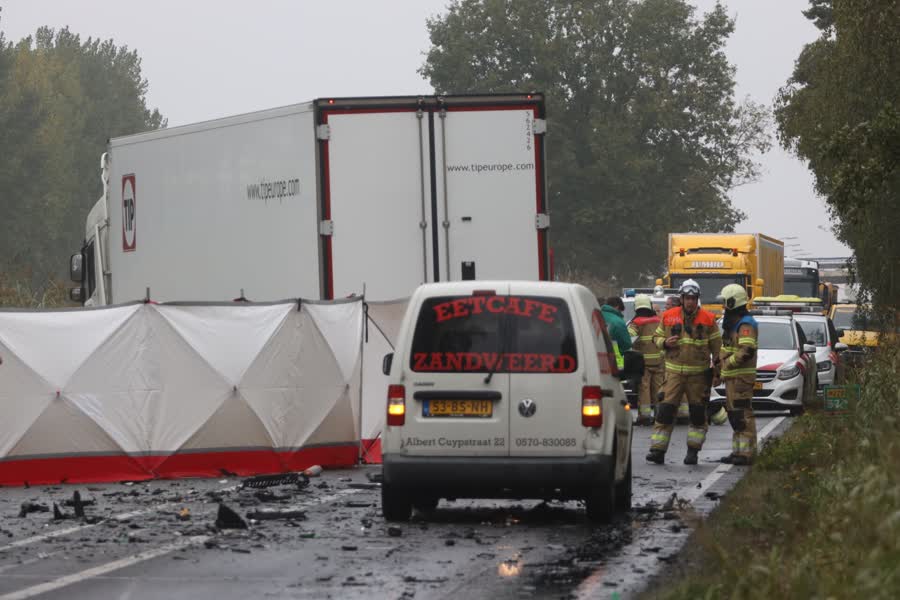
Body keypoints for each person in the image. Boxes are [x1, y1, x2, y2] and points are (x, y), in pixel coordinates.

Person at [647, 279, 721, 465]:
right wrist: (664, 343)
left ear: (697, 299)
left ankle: (693, 452)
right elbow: (656, 336)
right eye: (687, 298)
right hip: (673, 375)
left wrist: (718, 373)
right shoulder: (668, 316)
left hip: (698, 376)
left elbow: (718, 350)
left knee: (697, 415)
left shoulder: (708, 319)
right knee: (664, 411)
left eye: (693, 298)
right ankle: (657, 451)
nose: (690, 302)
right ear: (682, 298)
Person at [717, 284, 759, 465]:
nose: (723, 306)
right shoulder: (734, 323)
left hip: (741, 378)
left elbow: (746, 350)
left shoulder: (746, 324)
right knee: (735, 416)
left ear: (734, 302)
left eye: (725, 302)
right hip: (733, 378)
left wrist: (728, 363)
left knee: (743, 416)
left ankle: (747, 454)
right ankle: (738, 452)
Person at [627, 294, 662, 425]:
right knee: (658, 389)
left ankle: (645, 416)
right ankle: (659, 415)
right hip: (659, 362)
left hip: (643, 363)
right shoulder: (658, 320)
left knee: (644, 389)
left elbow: (629, 337)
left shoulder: (636, 322)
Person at [663, 295, 690, 423]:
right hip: (670, 362)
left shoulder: (683, 319)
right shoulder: (666, 318)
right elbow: (657, 336)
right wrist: (664, 342)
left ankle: (682, 412)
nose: (665, 307)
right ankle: (679, 412)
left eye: (667, 305)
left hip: (683, 362)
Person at [600, 296, 632, 370]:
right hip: (614, 358)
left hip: (597, 357)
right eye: (620, 311)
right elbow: (626, 344)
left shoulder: (596, 315)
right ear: (617, 307)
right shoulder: (618, 322)